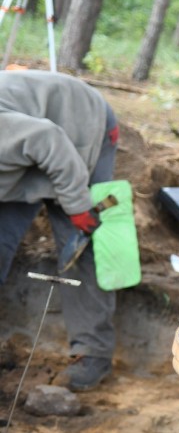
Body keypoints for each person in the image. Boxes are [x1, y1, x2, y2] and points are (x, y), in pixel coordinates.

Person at [0, 69, 120, 391]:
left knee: (80, 246)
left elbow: (48, 139)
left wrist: (78, 206)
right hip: (23, 154)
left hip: (78, 130)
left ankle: (92, 354)